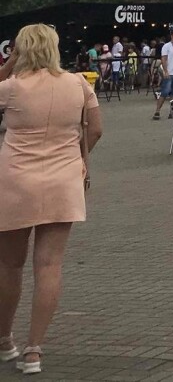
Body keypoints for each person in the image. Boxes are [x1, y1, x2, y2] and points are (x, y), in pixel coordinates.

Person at [0, 24, 103, 374]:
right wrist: (81, 158)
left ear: (22, 50)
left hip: (15, 180)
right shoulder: (77, 83)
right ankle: (34, 350)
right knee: (49, 266)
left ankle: (4, 340)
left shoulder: (12, 87)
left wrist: (9, 64)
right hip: (63, 179)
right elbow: (96, 128)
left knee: (10, 265)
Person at [153, 29, 173, 120]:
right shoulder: (166, 46)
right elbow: (164, 58)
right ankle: (157, 110)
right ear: (171, 36)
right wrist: (165, 70)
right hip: (170, 71)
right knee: (165, 91)